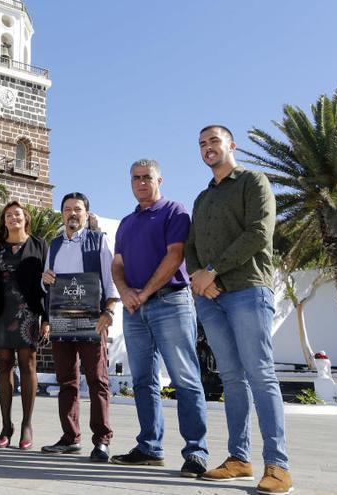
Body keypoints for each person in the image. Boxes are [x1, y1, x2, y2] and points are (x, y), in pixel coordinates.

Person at [186, 125, 292, 495]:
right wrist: (201, 277)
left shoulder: (253, 182)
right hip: (212, 298)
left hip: (248, 290)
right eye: (202, 144)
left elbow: (259, 232)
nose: (207, 148)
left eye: (213, 141)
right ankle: (238, 458)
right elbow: (191, 245)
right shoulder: (202, 198)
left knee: (261, 375)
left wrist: (213, 271)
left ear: (231, 145)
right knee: (232, 379)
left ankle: (278, 465)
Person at [109, 159, 209, 477]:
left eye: (146, 177)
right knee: (142, 381)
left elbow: (175, 254)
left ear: (159, 180)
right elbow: (117, 265)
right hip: (135, 309)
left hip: (171, 303)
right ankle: (150, 448)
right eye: (135, 178)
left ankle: (196, 452)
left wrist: (145, 292)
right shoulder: (125, 223)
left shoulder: (174, 211)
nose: (140, 182)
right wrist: (125, 292)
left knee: (185, 379)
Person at [40, 192, 119, 461]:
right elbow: (47, 283)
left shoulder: (98, 241)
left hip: (92, 320)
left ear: (86, 214)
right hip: (63, 321)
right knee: (66, 381)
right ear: (61, 214)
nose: (72, 214)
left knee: (97, 380)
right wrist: (46, 278)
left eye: (78, 209)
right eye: (67, 209)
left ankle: (102, 440)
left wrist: (109, 310)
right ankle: (70, 437)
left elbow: (110, 280)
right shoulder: (55, 245)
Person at [0, 201, 48, 450]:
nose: (13, 218)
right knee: (4, 365)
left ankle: (27, 424)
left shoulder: (39, 244)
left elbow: (49, 283)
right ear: (3, 220)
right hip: (1, 313)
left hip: (29, 314)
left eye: (17, 214)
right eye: (8, 215)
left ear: (25, 217)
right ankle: (6, 425)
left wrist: (47, 319)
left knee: (28, 365)